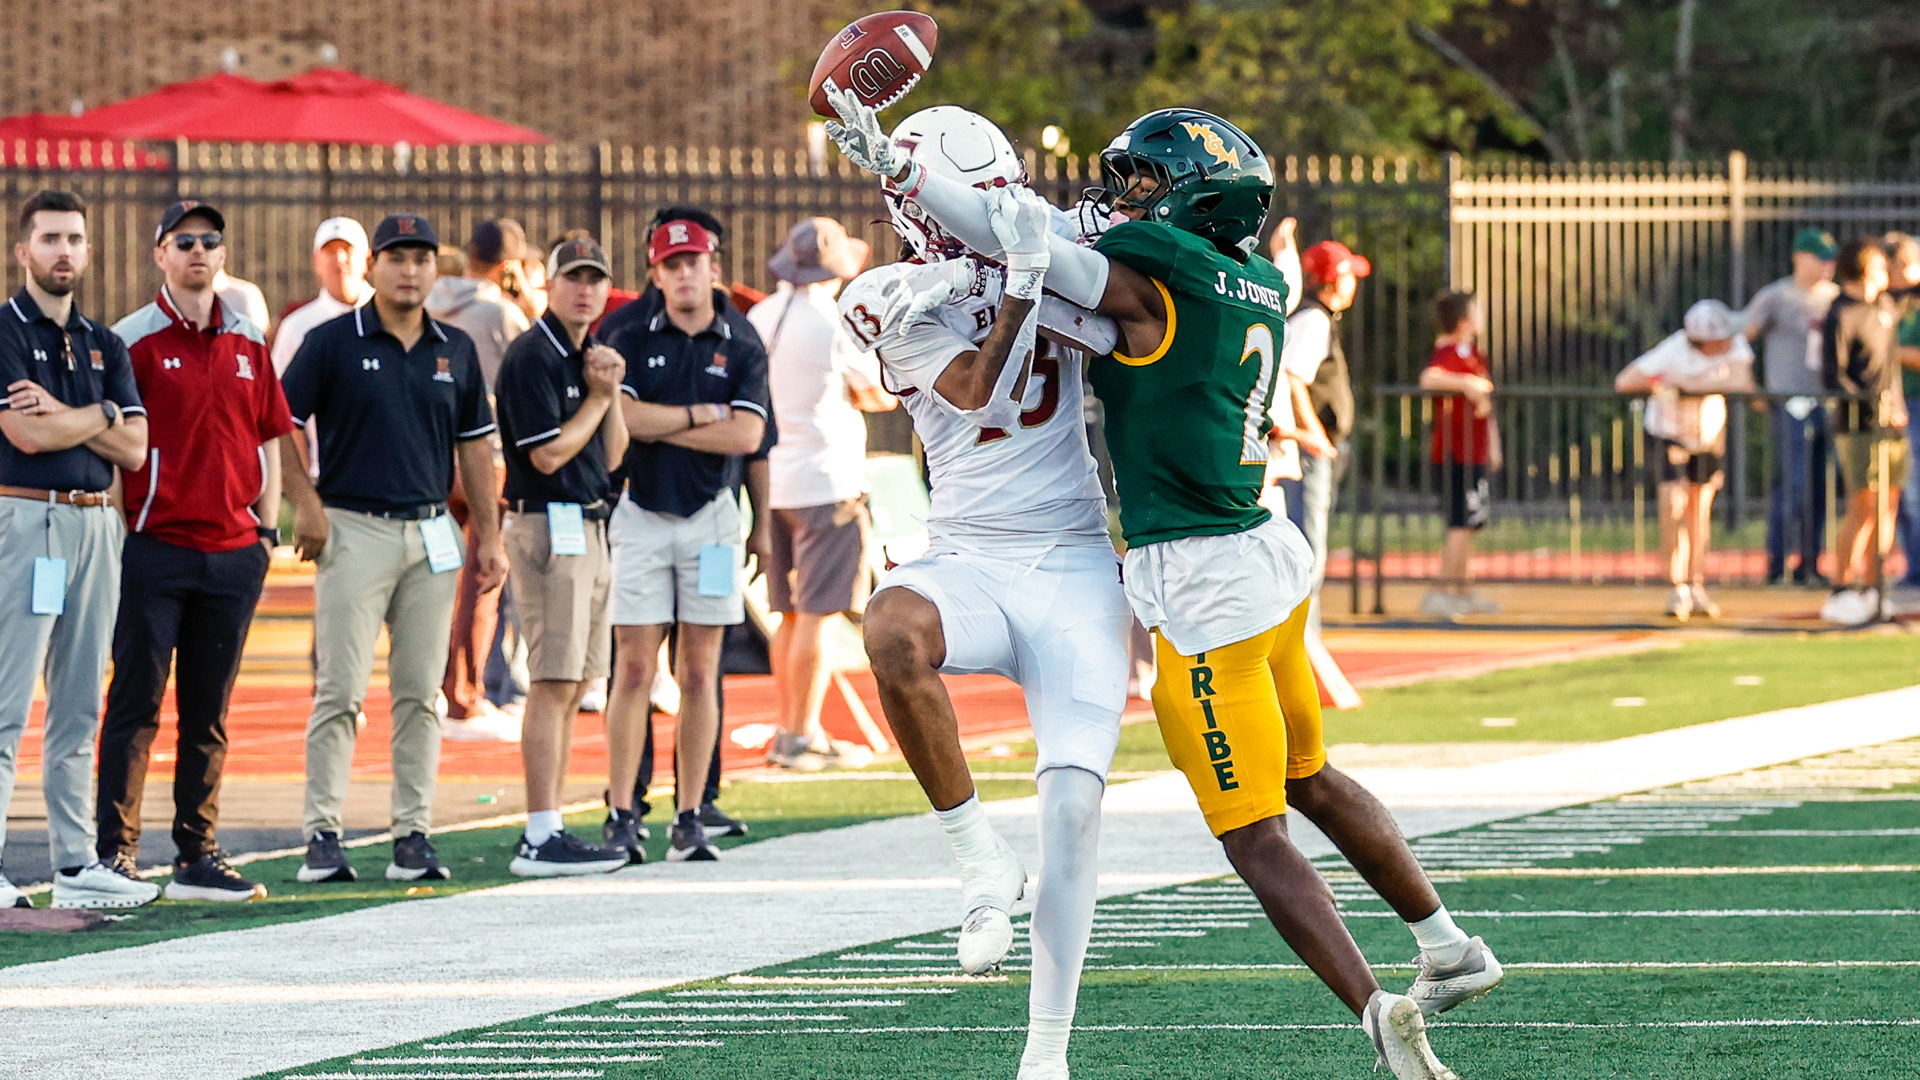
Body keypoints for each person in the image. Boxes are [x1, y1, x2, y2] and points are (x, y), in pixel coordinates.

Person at [829, 93, 1490, 1079]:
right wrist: (954, 256)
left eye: (1145, 182)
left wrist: (911, 176)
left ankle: (1373, 1010)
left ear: (1196, 200)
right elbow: (1040, 256)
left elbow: (1038, 252)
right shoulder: (1254, 276)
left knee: (1254, 834)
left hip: (1198, 586)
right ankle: (1450, 946)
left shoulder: (1158, 274)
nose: (1121, 196)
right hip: (1260, 556)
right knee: (1308, 773)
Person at [832, 104, 1133, 1080]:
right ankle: (973, 856)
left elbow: (1128, 301)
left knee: (1074, 813)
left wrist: (1051, 263)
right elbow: (971, 386)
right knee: (891, 626)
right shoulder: (886, 296)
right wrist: (1016, 287)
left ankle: (1045, 1053)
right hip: (970, 554)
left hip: (1076, 562)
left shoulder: (1035, 238)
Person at [280, 212, 506, 884]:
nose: (410, 271)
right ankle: (322, 833)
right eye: (398, 258)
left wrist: (489, 536)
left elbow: (473, 448)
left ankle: (413, 833)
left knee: (420, 695)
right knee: (340, 690)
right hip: (354, 528)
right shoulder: (329, 341)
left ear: (437, 270)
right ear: (374, 266)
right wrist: (308, 505)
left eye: (421, 259)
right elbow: (281, 425)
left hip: (432, 531)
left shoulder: (455, 348)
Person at [98, 200, 292, 903]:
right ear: (161, 254)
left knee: (208, 713)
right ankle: (115, 854)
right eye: (185, 242)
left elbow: (270, 436)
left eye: (211, 241)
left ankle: (197, 852)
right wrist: (122, 538)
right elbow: (114, 448)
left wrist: (266, 532)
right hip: (155, 549)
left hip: (234, 552)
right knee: (137, 704)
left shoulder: (248, 342)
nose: (200, 252)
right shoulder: (132, 341)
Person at [597, 212, 769, 862]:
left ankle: (690, 811)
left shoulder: (743, 340)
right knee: (635, 667)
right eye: (671, 264)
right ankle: (621, 809)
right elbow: (627, 420)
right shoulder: (629, 332)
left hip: (715, 518)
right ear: (655, 273)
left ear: (712, 266)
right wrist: (701, 415)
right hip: (641, 511)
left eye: (692, 261)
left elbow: (749, 436)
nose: (684, 273)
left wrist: (661, 425)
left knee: (700, 672)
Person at [0, 190, 154, 910]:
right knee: (7, 703)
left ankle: (72, 863)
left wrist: (74, 416)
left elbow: (134, 448)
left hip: (96, 526)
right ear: (23, 250)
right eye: (50, 238)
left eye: (75, 239)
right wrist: (101, 416)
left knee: (78, 703)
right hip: (29, 521)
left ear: (89, 252)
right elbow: (24, 437)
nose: (64, 251)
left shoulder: (105, 343)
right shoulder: (3, 330)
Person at [493, 236, 632, 876]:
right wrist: (601, 399)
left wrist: (610, 391)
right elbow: (546, 455)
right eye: (573, 277)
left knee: (576, 680)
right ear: (550, 284)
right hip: (549, 526)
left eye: (595, 279)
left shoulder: (588, 356)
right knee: (552, 680)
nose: (585, 289)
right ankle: (539, 830)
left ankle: (550, 824)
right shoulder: (532, 356)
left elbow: (613, 455)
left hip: (590, 523)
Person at [749, 217, 894, 771]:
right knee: (818, 616)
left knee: (790, 615)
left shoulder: (761, 315)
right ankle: (800, 733)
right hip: (827, 483)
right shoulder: (833, 323)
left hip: (776, 484)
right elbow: (879, 393)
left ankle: (792, 728)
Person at [429, 221, 535, 738]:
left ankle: (433, 684)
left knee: (432, 580)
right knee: (482, 579)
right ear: (507, 265)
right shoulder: (500, 312)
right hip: (486, 457)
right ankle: (464, 696)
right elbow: (535, 363)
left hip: (431, 454)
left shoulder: (429, 302)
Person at [1615, 300, 1756, 620]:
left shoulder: (1736, 348)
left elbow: (1743, 382)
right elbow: (1626, 381)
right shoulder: (1672, 353)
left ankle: (1696, 583)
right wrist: (1662, 386)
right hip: (1669, 432)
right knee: (1672, 503)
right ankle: (1676, 584)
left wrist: (1690, 387)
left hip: (1707, 435)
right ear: (1708, 340)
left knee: (1699, 508)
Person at [1818, 239, 1908, 625]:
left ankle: (1876, 588)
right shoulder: (1840, 313)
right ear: (1861, 268)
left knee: (1888, 507)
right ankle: (1841, 588)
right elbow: (1832, 375)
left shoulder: (1885, 305)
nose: (1886, 269)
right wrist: (1871, 404)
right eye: (1879, 263)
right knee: (1863, 507)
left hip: (1893, 425)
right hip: (1858, 426)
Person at [1744, 227, 1839, 586]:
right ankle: (1777, 562)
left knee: (1820, 486)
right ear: (1799, 257)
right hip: (1788, 402)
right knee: (1792, 483)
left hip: (1825, 402)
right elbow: (1742, 339)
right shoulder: (1777, 297)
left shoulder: (1835, 298)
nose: (1827, 267)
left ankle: (1811, 563)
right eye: (1820, 259)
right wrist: (1749, 387)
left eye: (1831, 260)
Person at [1281, 238, 1365, 627]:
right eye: (1348, 275)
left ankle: (1305, 636)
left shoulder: (1317, 318)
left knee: (1311, 542)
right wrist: (1313, 433)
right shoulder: (1313, 320)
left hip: (1317, 448)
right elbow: (1294, 379)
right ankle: (1304, 639)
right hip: (1309, 450)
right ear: (1332, 280)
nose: (1353, 284)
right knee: (1308, 547)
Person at [1417, 290, 1501, 616]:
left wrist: (1493, 443)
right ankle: (1440, 590)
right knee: (1460, 521)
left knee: (1471, 521)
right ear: (1464, 320)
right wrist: (1466, 384)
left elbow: (1486, 404)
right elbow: (1429, 378)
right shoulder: (1448, 351)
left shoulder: (1475, 354)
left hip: (1475, 450)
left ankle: (1464, 588)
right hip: (1455, 451)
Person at [271, 218, 373, 376]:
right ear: (316, 261)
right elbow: (279, 394)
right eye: (330, 252)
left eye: (348, 250)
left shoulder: (393, 318)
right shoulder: (296, 327)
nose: (339, 260)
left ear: (367, 259)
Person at [1883, 233, 1920, 591]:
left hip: (1915, 402)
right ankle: (1913, 568)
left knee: (1913, 490)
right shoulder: (1880, 301)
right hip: (1890, 404)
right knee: (1901, 491)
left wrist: (1889, 352)